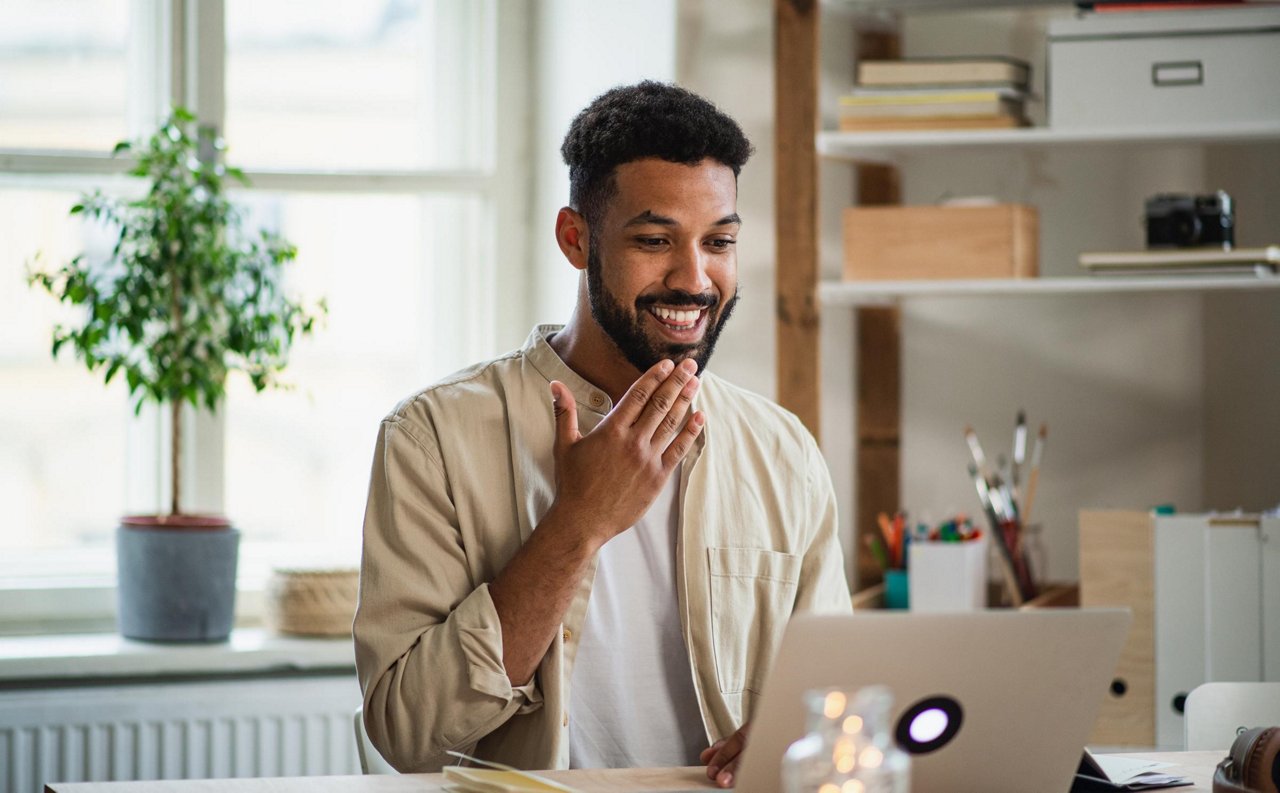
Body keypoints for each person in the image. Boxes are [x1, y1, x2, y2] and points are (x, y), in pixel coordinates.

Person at [354, 80, 851, 788]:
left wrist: (803, 730)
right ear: (575, 238)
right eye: (655, 240)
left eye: (720, 242)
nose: (694, 277)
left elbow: (839, 700)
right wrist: (578, 523)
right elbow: (406, 734)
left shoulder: (783, 450)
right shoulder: (431, 436)